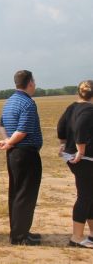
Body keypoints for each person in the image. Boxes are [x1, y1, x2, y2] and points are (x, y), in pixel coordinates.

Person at [0, 70, 43, 246]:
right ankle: (20, 236)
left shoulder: (9, 102)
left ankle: (19, 232)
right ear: (29, 83)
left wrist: (7, 140)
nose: (35, 84)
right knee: (26, 194)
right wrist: (9, 142)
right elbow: (22, 130)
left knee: (16, 193)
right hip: (26, 154)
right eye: (34, 81)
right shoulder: (28, 103)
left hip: (14, 154)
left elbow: (1, 125)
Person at [57, 80, 93, 248]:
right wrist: (81, 150)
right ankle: (76, 238)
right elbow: (80, 126)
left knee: (89, 195)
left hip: (73, 156)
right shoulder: (89, 109)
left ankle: (91, 235)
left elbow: (60, 126)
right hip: (83, 159)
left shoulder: (72, 107)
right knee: (85, 196)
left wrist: (63, 143)